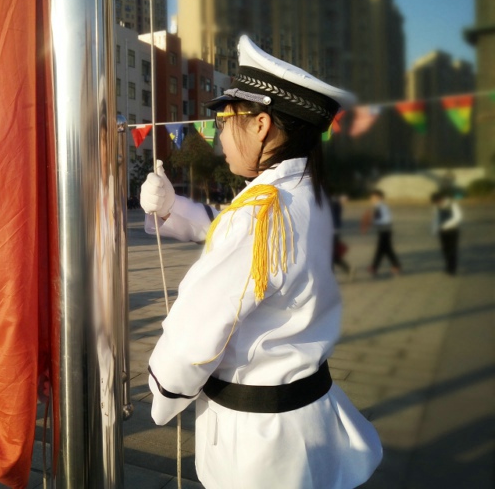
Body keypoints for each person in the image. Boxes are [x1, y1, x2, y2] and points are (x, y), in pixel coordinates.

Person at [140, 35, 382, 488]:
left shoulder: (263, 212)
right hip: (307, 418)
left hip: (257, 442)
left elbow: (195, 333)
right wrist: (173, 208)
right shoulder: (305, 193)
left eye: (225, 119)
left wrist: (162, 391)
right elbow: (239, 238)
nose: (219, 133)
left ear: (261, 125)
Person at [366, 189, 401, 277]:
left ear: (379, 197)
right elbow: (379, 218)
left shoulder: (380, 206)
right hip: (385, 230)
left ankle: (375, 267)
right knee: (385, 249)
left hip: (384, 230)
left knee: (382, 249)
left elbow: (380, 219)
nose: (371, 199)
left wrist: (370, 221)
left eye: (373, 197)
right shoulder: (381, 206)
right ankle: (394, 266)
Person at [431, 191, 462, 275]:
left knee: (452, 250)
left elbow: (458, 217)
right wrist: (434, 229)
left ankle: (453, 269)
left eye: (437, 202)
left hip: (453, 230)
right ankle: (448, 266)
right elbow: (436, 218)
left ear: (441, 199)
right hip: (442, 231)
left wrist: (446, 225)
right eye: (435, 203)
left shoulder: (452, 204)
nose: (437, 204)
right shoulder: (437, 207)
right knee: (445, 250)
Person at [329, 192, 354, 279]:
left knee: (330, 254)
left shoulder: (331, 203)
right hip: (334, 231)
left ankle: (346, 269)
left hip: (331, 231)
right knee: (332, 254)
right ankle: (347, 269)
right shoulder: (334, 202)